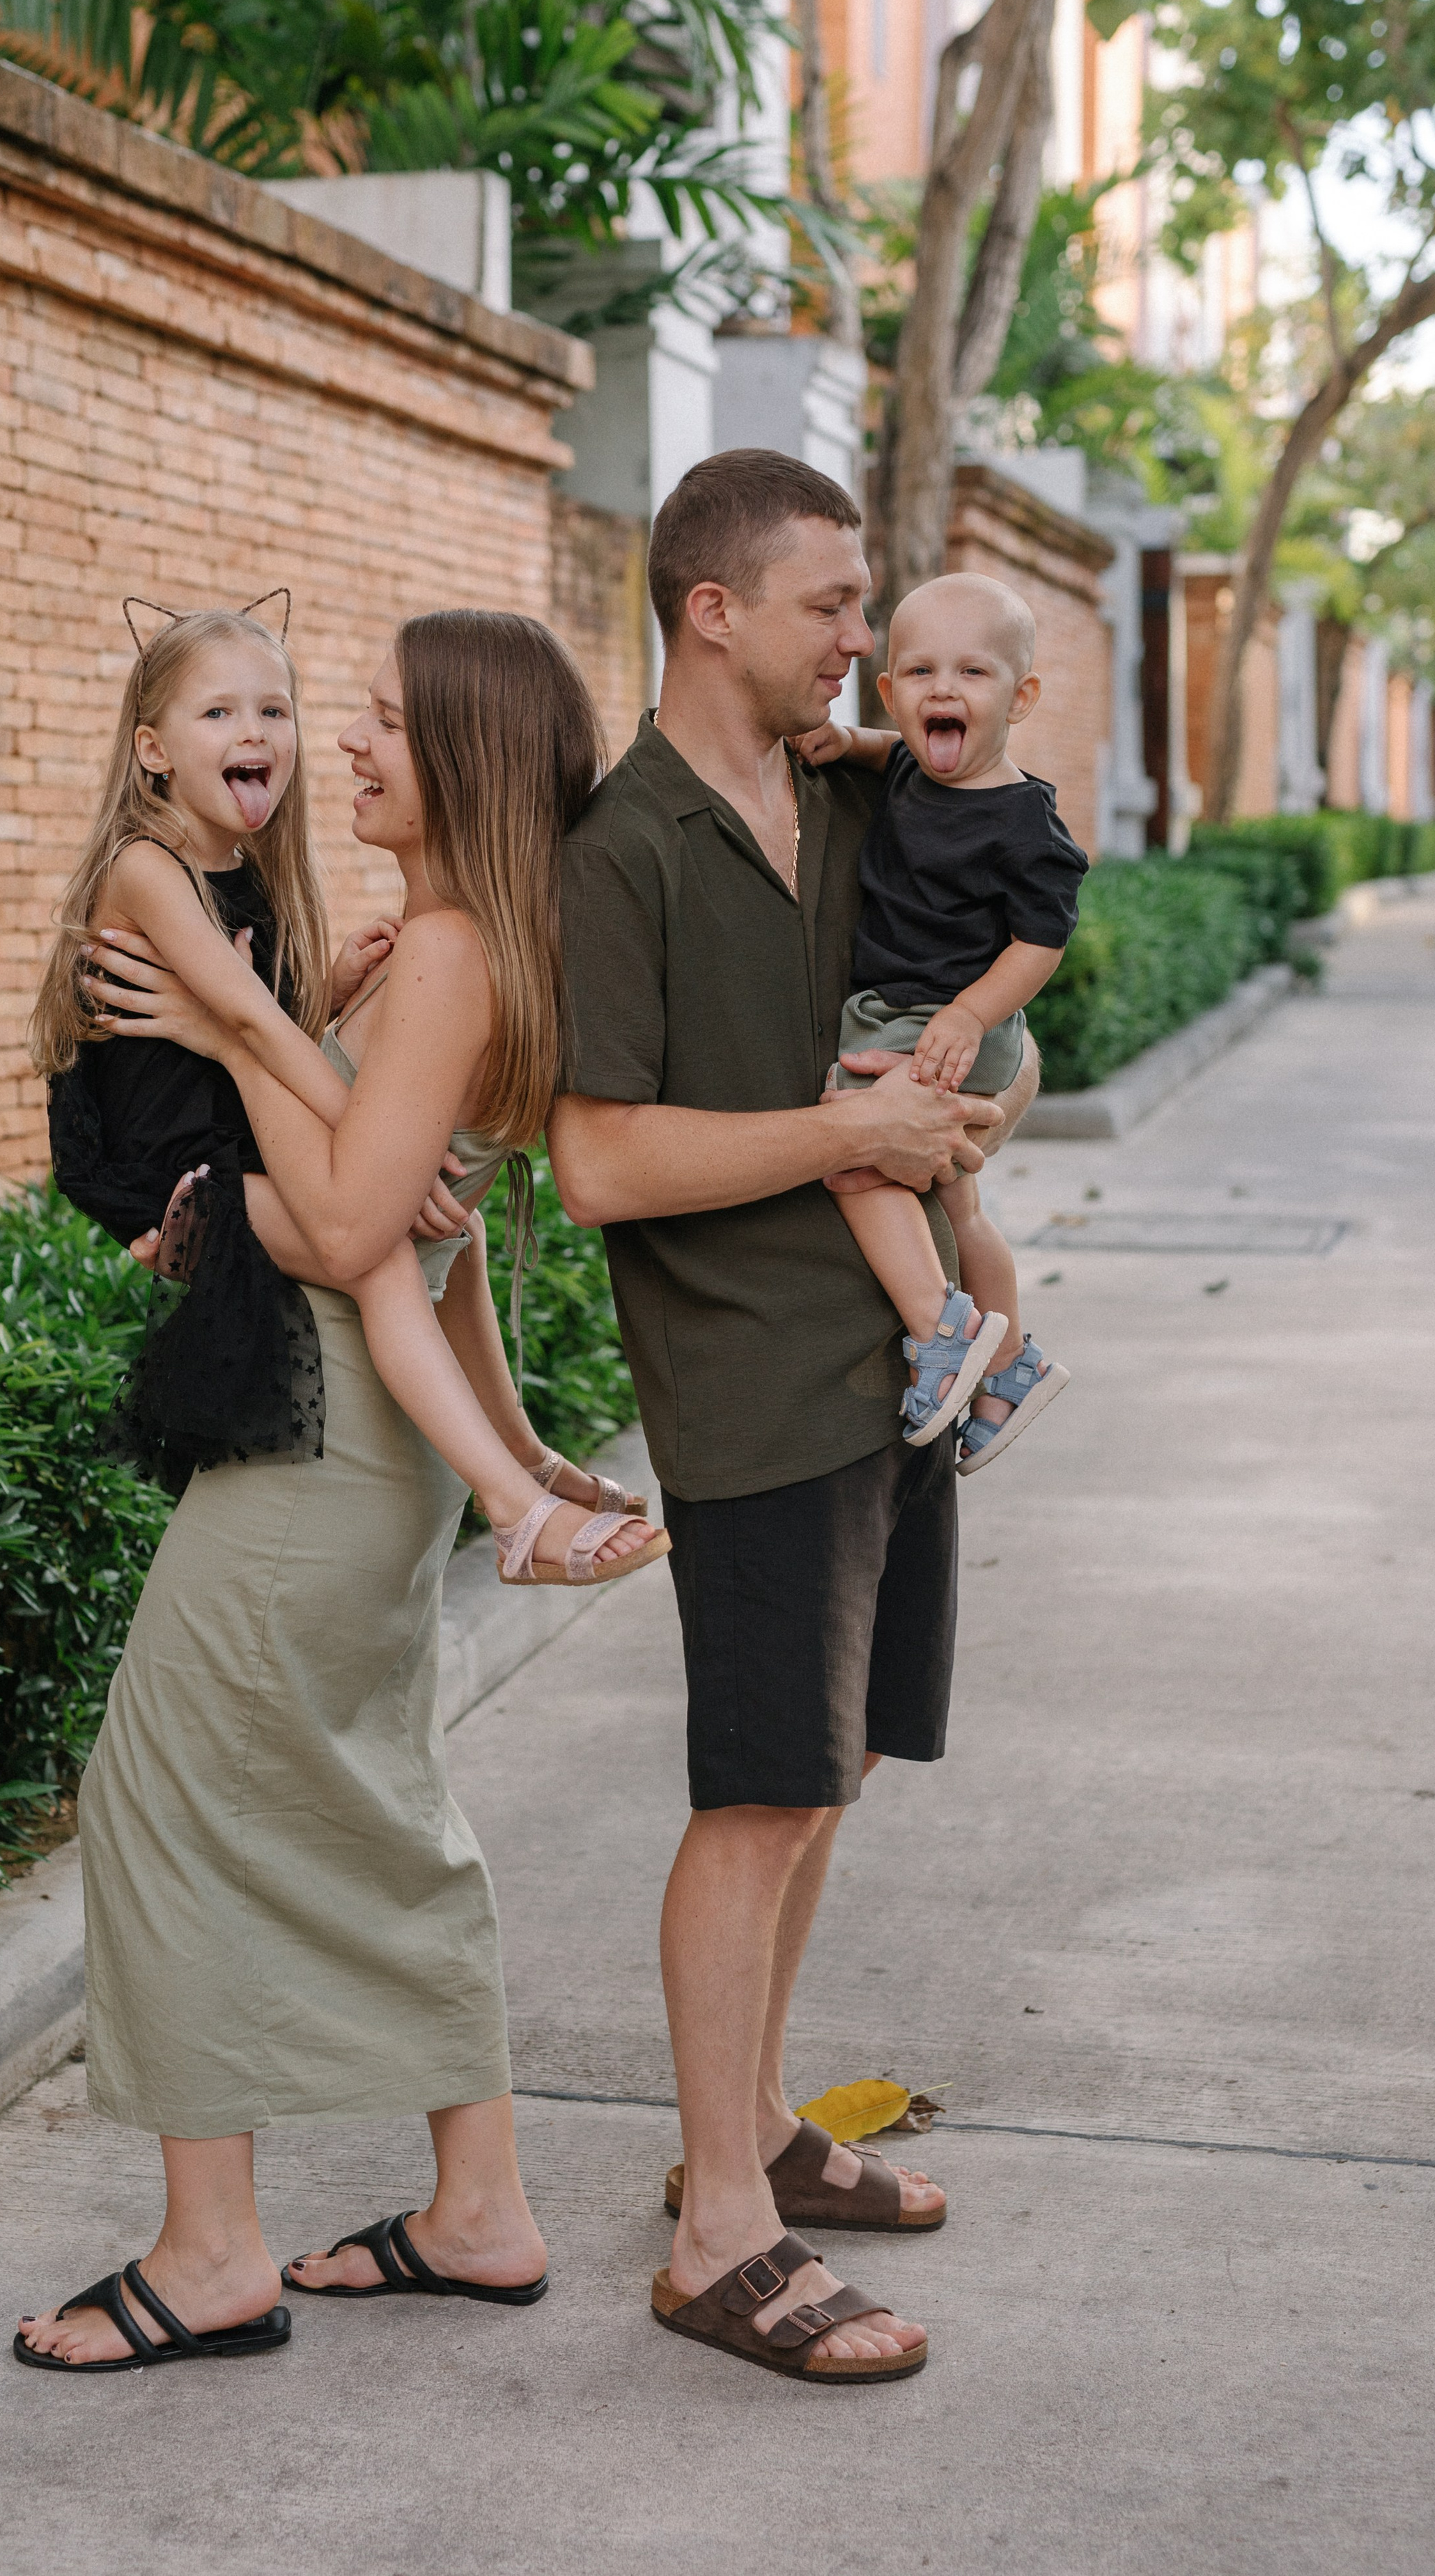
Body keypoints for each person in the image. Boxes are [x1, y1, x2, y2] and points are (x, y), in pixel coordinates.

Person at [14, 609, 639, 2375]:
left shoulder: (433, 953)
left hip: (320, 1444)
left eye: (371, 721)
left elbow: (359, 1231)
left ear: (461, 759)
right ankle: (477, 2209)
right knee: (370, 1804)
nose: (341, 746)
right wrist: (506, 1457)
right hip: (370, 1442)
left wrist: (232, 1038)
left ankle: (211, 2255)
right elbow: (421, 1252)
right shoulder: (462, 946)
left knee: (159, 1795)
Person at [547, 451, 1040, 2385]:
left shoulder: (851, 803)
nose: (867, 635)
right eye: (834, 603)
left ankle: (751, 2131)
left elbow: (977, 980)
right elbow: (595, 1159)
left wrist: (968, 1136)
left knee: (822, 1778)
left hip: (888, 1367)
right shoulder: (630, 846)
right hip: (752, 1394)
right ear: (713, 611)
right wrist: (852, 1134)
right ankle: (716, 2234)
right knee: (753, 1796)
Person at [33, 596, 661, 1582]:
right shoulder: (150, 867)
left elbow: (249, 1026)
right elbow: (241, 1027)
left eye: (273, 712)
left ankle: (525, 1463)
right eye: (220, 716)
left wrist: (317, 1003)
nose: (309, 736)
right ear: (151, 751)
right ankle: (512, 1505)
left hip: (217, 1150)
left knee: (452, 1230)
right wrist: (371, 1136)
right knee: (391, 1258)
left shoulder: (289, 888)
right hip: (165, 1157)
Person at [791, 570, 1083, 1471]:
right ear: (891, 693)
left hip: (946, 1020)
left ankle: (942, 1328)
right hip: (909, 1012)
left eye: (974, 674)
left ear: (1021, 697)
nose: (943, 691)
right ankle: (1011, 1362)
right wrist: (848, 741)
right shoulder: (913, 760)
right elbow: (891, 754)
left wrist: (970, 1012)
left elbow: (1043, 939)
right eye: (919, 674)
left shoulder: (1025, 819)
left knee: (852, 1155)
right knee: (958, 1200)